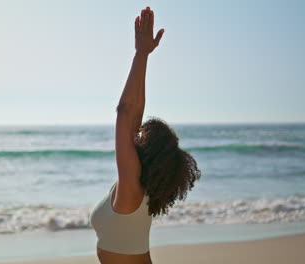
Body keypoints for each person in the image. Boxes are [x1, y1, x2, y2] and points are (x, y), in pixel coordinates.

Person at [89, 6, 201, 264]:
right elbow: (132, 115)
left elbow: (126, 112)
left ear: (147, 150)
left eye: (140, 135)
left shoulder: (132, 186)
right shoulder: (141, 186)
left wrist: (141, 54)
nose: (134, 133)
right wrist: (144, 55)